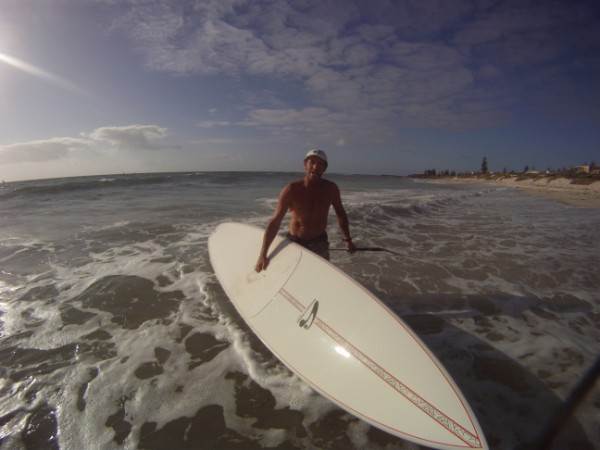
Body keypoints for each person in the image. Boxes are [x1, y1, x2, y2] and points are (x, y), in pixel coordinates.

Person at [255, 149, 356, 272]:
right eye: (312, 162)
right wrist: (263, 254)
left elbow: (341, 214)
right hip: (295, 242)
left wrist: (348, 240)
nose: (315, 167)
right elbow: (276, 221)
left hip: (319, 242)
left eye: (320, 164)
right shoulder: (291, 189)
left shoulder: (331, 189)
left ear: (325, 168)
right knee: (293, 276)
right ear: (305, 164)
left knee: (319, 275)